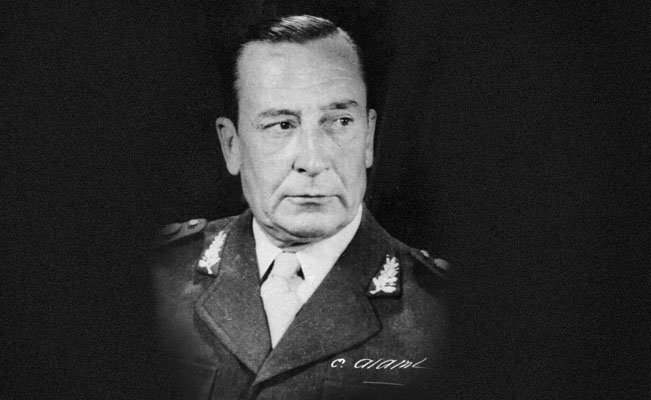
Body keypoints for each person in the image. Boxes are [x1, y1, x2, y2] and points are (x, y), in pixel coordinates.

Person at [150, 15, 449, 400]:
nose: (312, 160)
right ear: (232, 146)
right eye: (281, 125)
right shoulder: (161, 281)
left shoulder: (439, 312)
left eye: (339, 121)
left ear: (368, 137)